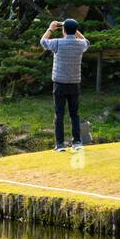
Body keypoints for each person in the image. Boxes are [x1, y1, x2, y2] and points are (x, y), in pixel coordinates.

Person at [40, 18, 88, 151]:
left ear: (64, 30)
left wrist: (50, 28)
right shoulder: (80, 44)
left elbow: (43, 42)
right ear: (75, 30)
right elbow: (87, 42)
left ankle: (60, 144)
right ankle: (77, 142)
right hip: (74, 84)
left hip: (60, 84)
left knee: (59, 115)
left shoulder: (58, 43)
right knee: (75, 114)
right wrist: (74, 30)